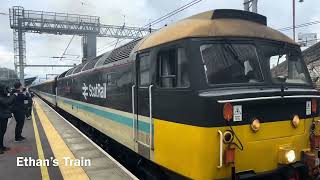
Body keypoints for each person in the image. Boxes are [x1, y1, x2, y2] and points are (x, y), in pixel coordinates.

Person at [0, 83, 16, 154]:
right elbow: (7, 102)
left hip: (3, 116)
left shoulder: (3, 95)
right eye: (6, 89)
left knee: (2, 132)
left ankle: (1, 146)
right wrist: (14, 95)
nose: (7, 90)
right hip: (1, 116)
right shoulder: (1, 97)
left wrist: (10, 93)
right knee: (0, 132)